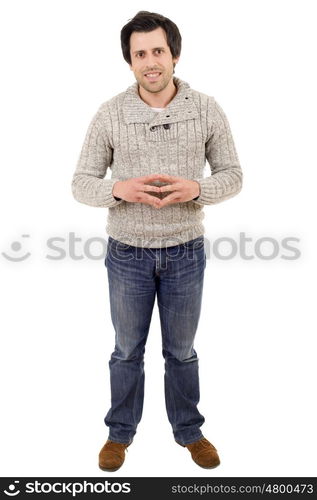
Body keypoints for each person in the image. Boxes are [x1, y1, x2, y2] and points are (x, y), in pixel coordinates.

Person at [71, 10, 243, 472]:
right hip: (126, 252)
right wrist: (118, 189)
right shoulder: (110, 113)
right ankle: (119, 433)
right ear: (130, 62)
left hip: (186, 251)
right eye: (139, 54)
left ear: (174, 54)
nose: (150, 61)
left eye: (158, 51)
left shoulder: (206, 108)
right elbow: (81, 182)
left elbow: (233, 175)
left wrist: (198, 189)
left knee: (181, 351)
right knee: (127, 349)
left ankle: (189, 431)